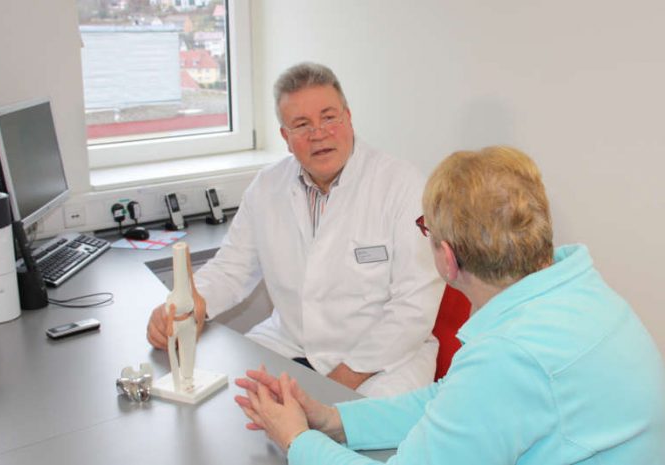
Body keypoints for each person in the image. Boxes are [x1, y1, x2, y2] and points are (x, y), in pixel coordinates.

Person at [235, 146, 665, 464]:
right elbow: (450, 403)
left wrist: (297, 441)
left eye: (426, 229)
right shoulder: (576, 291)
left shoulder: (509, 355)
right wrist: (333, 420)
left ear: (447, 257)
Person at [147, 62, 445, 397]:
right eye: (301, 125)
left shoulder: (402, 185)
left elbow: (414, 305)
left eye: (329, 117)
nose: (318, 133)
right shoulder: (267, 187)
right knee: (228, 402)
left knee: (354, 436)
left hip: (383, 361)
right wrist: (187, 306)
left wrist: (339, 381)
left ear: (348, 117)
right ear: (285, 138)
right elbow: (232, 268)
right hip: (289, 342)